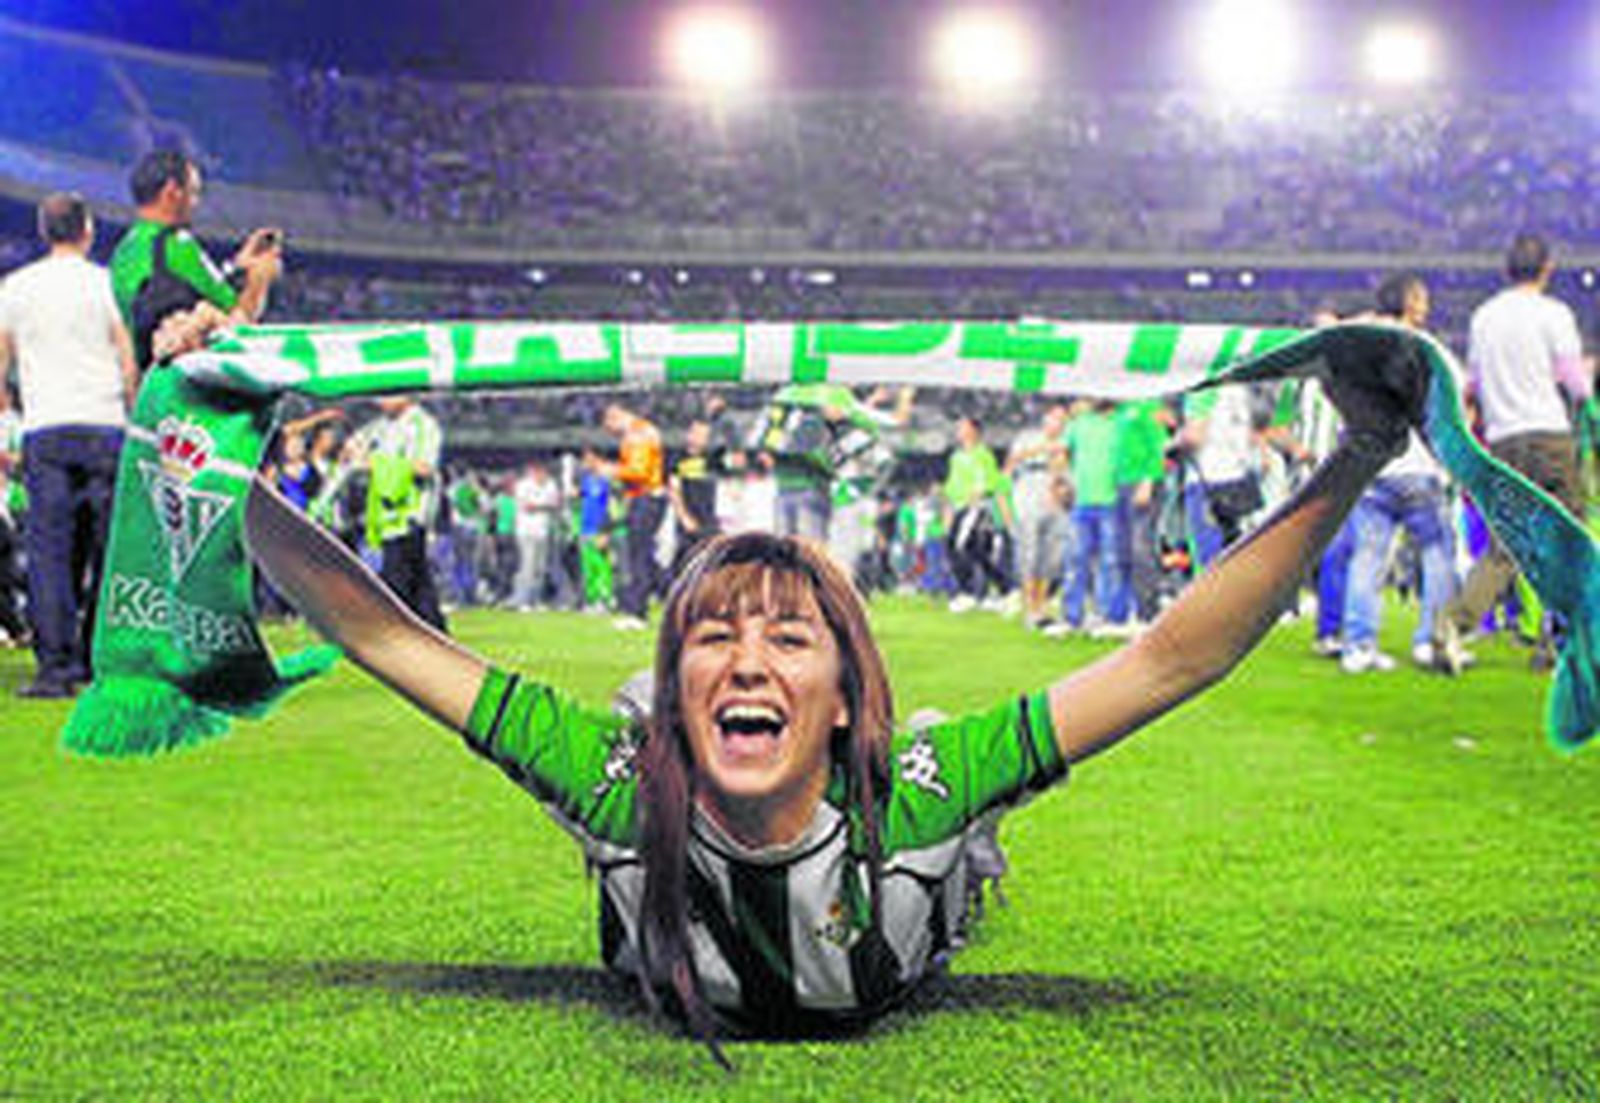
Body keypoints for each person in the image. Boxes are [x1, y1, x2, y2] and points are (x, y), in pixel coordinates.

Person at [241, 352, 1416, 1047]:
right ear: (676, 692)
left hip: (906, 839)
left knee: (958, 821)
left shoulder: (917, 787)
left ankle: (970, 865)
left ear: (849, 703)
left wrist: (1361, 447)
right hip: (663, 752)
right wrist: (214, 468)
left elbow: (1169, 658)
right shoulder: (617, 774)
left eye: (790, 637)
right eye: (714, 636)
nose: (749, 659)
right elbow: (377, 630)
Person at [0, 193, 138, 697]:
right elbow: (127, 362)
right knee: (108, 551)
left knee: (50, 554)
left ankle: (56, 669)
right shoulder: (106, 284)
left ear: (44, 231)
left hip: (46, 429)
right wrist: (134, 416)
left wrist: (9, 419)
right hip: (105, 425)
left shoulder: (16, 288)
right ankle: (99, 660)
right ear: (87, 230)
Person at [1438, 234, 1590, 674]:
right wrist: (1586, 383)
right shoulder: (1554, 313)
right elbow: (1576, 383)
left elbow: (1474, 383)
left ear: (1508, 270)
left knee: (1505, 547)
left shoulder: (1484, 318)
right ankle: (1555, 645)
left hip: (1504, 441)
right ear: (1547, 269)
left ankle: (1453, 626)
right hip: (1549, 437)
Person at [1338, 274, 1459, 674]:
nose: (1427, 305)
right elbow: (1451, 400)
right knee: (1437, 552)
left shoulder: (1358, 345)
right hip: (1417, 466)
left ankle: (1358, 646)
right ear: (1408, 302)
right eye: (1422, 298)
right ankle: (1429, 641)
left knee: (1368, 558)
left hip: (1371, 467)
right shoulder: (1424, 347)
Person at [109, 148, 281, 370]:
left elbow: (172, 287)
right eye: (193, 192)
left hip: (150, 379)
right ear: (172, 191)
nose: (195, 203)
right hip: (185, 380)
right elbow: (238, 322)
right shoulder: (177, 244)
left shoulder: (123, 252)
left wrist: (238, 265)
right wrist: (260, 278)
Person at [352, 396, 446, 631]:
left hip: (409, 517)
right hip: (384, 518)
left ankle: (399, 634)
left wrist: (377, 464)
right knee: (417, 587)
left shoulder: (423, 424)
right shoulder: (380, 425)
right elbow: (356, 447)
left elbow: (425, 467)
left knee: (399, 584)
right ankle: (435, 634)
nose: (380, 400)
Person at [603, 401, 666, 631]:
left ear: (618, 415)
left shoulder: (638, 434)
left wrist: (613, 470)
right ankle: (655, 598)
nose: (608, 428)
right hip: (647, 497)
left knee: (639, 555)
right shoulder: (642, 431)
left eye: (609, 421)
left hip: (646, 496)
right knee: (644, 555)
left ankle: (638, 612)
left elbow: (639, 471)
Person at [1004, 404, 1068, 628]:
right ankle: (1029, 606)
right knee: (1029, 554)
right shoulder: (1028, 438)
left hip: (1054, 502)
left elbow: (1063, 471)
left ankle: (1042, 606)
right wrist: (1043, 448)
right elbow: (1011, 463)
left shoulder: (1067, 442)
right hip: (1027, 499)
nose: (1058, 424)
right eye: (1054, 418)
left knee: (1050, 557)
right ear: (1045, 419)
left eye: (1062, 420)